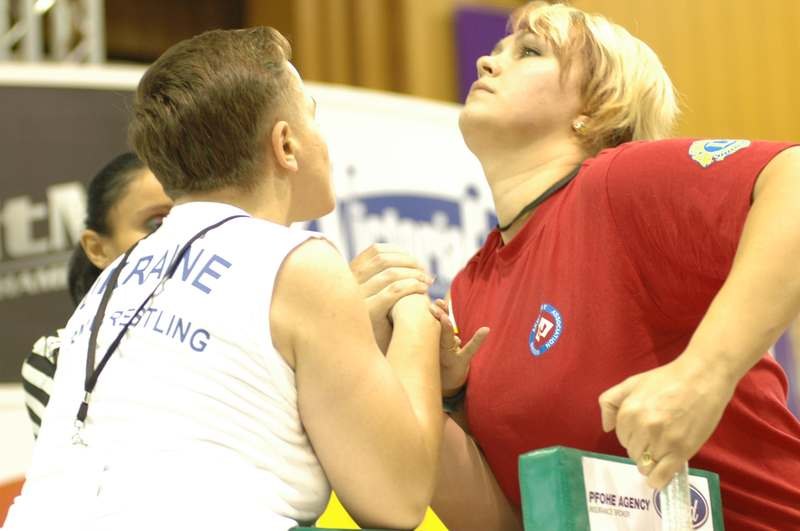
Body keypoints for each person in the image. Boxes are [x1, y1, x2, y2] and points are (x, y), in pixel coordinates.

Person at [353, 2, 800, 530]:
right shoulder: (473, 285)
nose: (487, 64)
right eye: (496, 51)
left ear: (596, 108)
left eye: (529, 52)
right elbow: (505, 523)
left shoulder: (616, 183)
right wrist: (432, 395)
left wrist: (703, 375)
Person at [5, 27, 441, 531]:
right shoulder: (299, 263)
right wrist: (415, 318)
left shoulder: (109, 282)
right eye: (313, 117)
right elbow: (398, 501)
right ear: (286, 144)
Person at [21, 153, 173, 438]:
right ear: (97, 248)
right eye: (157, 223)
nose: (182, 237)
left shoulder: (253, 330)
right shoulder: (58, 356)